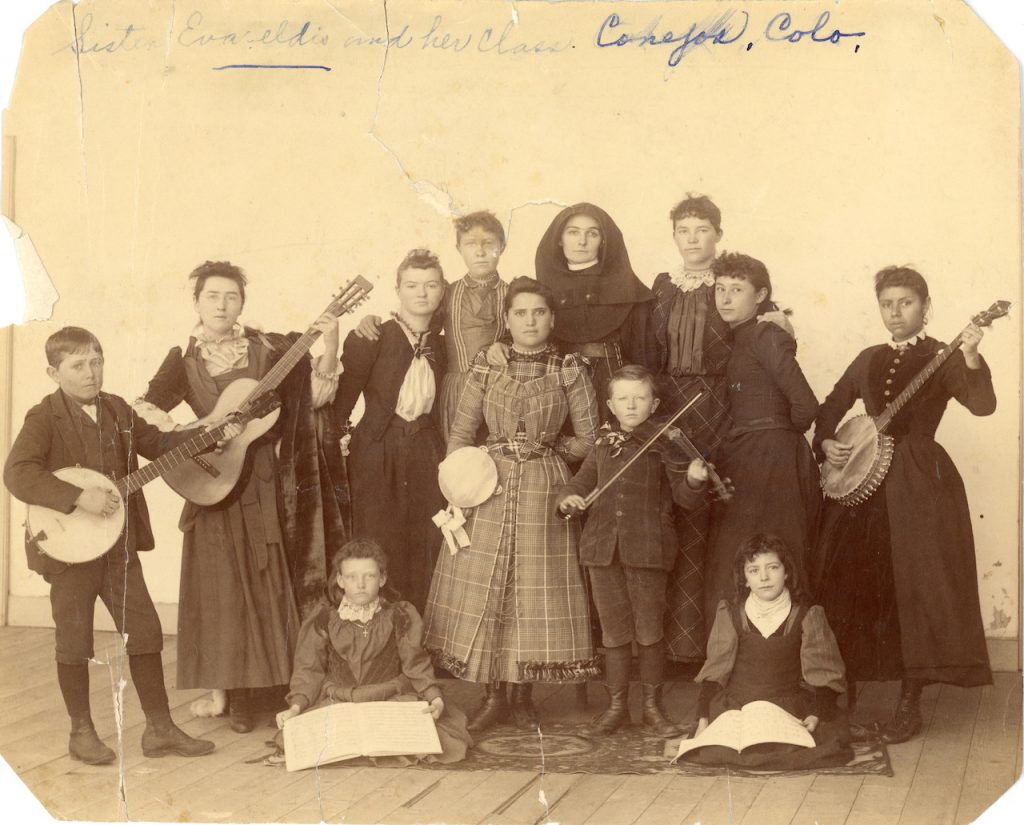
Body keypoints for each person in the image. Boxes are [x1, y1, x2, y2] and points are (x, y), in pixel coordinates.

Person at [4, 327, 240, 764]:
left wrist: (206, 434)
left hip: (118, 544)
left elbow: (158, 444)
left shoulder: (116, 410)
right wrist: (78, 496)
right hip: (67, 550)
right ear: (53, 372)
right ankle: (81, 732)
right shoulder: (43, 417)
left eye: (97, 361)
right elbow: (16, 474)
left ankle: (160, 730)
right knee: (74, 640)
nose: (91, 373)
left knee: (146, 631)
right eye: (78, 366)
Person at [138, 260, 347, 733]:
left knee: (265, 582)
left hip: (262, 482)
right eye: (212, 296)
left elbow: (315, 396)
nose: (222, 304)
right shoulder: (182, 359)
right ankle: (226, 691)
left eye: (231, 297)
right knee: (219, 588)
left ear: (241, 305)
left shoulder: (268, 349)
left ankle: (266, 690)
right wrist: (196, 431)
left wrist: (330, 339)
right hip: (210, 484)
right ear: (196, 301)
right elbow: (146, 413)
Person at [812, 266, 996, 744]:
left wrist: (972, 355)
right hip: (862, 487)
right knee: (850, 578)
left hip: (918, 483)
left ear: (924, 306)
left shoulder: (945, 355)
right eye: (887, 304)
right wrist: (828, 442)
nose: (895, 313)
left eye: (905, 303)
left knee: (912, 587)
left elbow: (982, 406)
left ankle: (908, 704)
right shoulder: (868, 357)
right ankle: (842, 697)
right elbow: (830, 408)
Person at [424, 276, 600, 734]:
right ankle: (492, 696)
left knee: (533, 589)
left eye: (539, 313)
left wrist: (546, 455)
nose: (530, 321)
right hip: (489, 488)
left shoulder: (570, 367)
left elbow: (588, 439)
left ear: (552, 319)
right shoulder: (487, 365)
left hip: (545, 488)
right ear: (506, 319)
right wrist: (464, 477)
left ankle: (523, 697)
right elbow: (461, 433)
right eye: (520, 313)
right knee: (488, 584)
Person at [652, 194, 795, 662]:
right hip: (673, 407)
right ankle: (680, 649)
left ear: (718, 234)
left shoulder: (731, 282)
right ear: (673, 235)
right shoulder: (662, 285)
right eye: (683, 230)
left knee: (725, 518)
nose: (693, 239)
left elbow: (768, 330)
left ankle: (729, 649)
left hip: (725, 407)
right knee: (679, 513)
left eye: (702, 229)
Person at [557, 365, 709, 738]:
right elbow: (580, 482)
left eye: (640, 398)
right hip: (601, 551)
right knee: (613, 633)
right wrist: (568, 498)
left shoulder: (666, 442)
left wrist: (693, 479)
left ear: (654, 403)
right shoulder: (603, 444)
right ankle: (616, 708)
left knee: (648, 632)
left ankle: (652, 709)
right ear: (610, 404)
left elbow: (684, 499)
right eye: (623, 398)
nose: (631, 405)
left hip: (648, 551)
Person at [274, 539, 471, 765]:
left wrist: (434, 698)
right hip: (341, 701)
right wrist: (295, 708)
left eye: (369, 576)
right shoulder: (323, 619)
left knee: (433, 739)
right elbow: (309, 670)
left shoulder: (399, 615)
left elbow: (415, 664)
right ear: (340, 580)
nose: (360, 584)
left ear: (382, 579)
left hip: (388, 698)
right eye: (351, 577)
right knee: (307, 741)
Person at [704, 252, 820, 621]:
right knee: (741, 557)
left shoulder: (766, 334)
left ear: (760, 295)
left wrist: (778, 440)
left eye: (737, 290)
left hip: (773, 461)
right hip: (747, 456)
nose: (725, 298)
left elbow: (806, 406)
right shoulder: (740, 336)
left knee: (777, 556)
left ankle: (788, 657)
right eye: (720, 289)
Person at [333, 249, 447, 613]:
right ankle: (374, 632)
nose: (422, 293)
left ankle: (420, 633)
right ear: (398, 289)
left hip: (426, 450)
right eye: (412, 285)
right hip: (376, 451)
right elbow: (342, 403)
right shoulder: (372, 336)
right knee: (379, 539)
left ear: (443, 291)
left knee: (427, 538)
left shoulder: (445, 345)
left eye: (431, 285)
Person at [683, 534, 851, 769]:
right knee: (720, 749)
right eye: (753, 570)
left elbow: (823, 672)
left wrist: (815, 713)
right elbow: (715, 670)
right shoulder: (730, 615)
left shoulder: (807, 616)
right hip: (738, 707)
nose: (763, 577)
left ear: (786, 572)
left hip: (788, 706)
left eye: (772, 567)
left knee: (799, 746)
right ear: (744, 579)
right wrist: (703, 719)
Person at [489, 202, 656, 422]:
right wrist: (502, 341)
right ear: (559, 239)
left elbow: (643, 357)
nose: (582, 241)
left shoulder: (627, 288)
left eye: (592, 233)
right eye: (573, 232)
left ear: (603, 240)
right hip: (556, 380)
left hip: (613, 384)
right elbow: (529, 324)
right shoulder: (544, 287)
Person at [353, 210, 510, 441]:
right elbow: (416, 328)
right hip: (455, 391)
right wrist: (373, 320)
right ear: (458, 248)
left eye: (488, 243)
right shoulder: (447, 292)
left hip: (500, 390)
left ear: (503, 246)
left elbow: (523, 336)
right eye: (470, 244)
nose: (480, 251)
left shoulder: (514, 294)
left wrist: (504, 344)